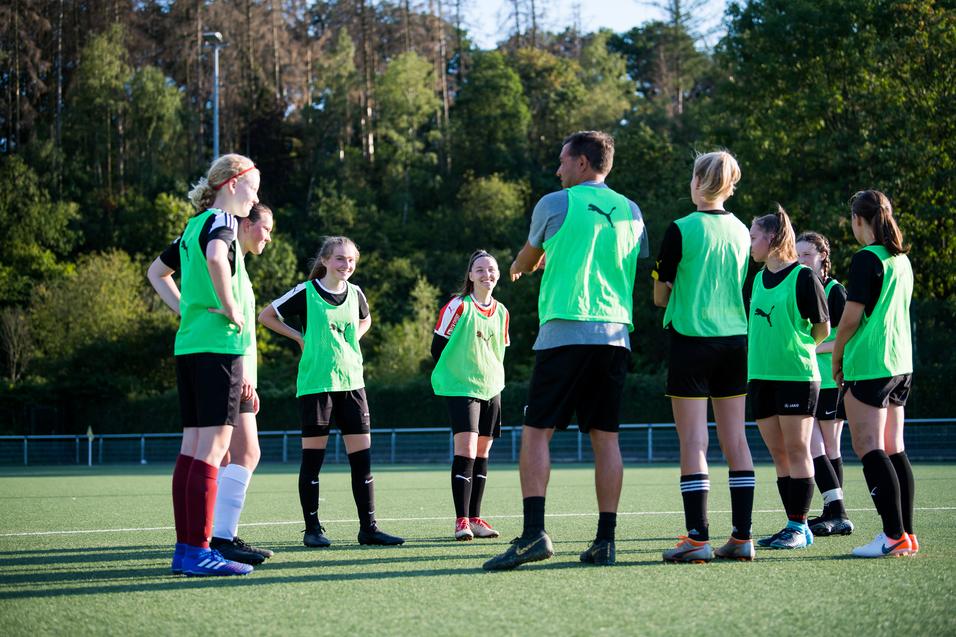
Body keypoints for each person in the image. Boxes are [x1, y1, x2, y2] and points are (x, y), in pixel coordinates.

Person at [483, 130, 648, 571]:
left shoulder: (554, 204)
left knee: (537, 431)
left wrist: (522, 267)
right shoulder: (632, 212)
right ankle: (605, 541)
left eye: (562, 162)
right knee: (606, 437)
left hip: (565, 329)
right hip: (615, 334)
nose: (558, 170)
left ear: (581, 163)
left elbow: (525, 259)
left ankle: (534, 534)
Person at [147, 153, 260, 576]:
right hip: (218, 349)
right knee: (213, 452)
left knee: (192, 450)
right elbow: (216, 257)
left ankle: (187, 550)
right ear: (233, 183)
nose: (256, 197)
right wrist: (230, 309)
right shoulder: (222, 223)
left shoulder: (192, 226)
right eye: (254, 187)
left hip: (190, 346)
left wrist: (187, 311)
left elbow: (156, 273)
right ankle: (197, 551)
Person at [258, 236, 404, 548]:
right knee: (312, 462)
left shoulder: (356, 293)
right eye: (339, 259)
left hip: (352, 384)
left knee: (362, 462)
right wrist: (299, 337)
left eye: (351, 260)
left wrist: (353, 341)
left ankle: (369, 529)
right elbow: (266, 316)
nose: (346, 265)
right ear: (325, 260)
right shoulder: (307, 292)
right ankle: (312, 529)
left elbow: (366, 319)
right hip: (316, 386)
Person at [653, 151, 756, 563]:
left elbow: (662, 295)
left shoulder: (680, 228)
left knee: (694, 442)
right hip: (735, 342)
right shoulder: (744, 231)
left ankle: (697, 539)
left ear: (698, 181)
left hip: (691, 341)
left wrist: (668, 291)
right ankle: (742, 536)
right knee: (736, 441)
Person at [832, 190, 917, 558]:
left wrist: (837, 355)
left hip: (870, 364)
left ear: (857, 219)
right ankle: (906, 536)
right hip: (900, 364)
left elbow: (850, 318)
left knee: (868, 447)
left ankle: (892, 535)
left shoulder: (867, 258)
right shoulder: (901, 260)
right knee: (894, 449)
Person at [747, 206, 830, 550]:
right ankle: (792, 524)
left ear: (773, 238)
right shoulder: (755, 279)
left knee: (797, 449)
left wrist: (798, 348)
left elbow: (822, 328)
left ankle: (799, 526)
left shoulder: (803, 277)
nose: (749, 243)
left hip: (796, 375)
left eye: (753, 237)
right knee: (778, 452)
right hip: (760, 376)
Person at [431, 250, 509, 541]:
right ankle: (461, 521)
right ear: (470, 275)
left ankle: (476, 518)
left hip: (492, 388)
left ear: (498, 274)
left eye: (491, 269)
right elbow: (437, 347)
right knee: (464, 452)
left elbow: (499, 351)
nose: (486, 274)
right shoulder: (458, 306)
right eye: (479, 269)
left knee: (482, 454)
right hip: (462, 387)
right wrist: (458, 371)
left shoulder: (502, 312)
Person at [795, 231, 854, 536]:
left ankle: (837, 512)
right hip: (809, 378)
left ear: (822, 257)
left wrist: (814, 347)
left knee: (829, 446)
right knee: (814, 444)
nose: (801, 259)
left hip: (831, 380)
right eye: (798, 254)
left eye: (807, 254)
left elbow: (849, 337)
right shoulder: (801, 286)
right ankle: (832, 509)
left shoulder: (835, 291)